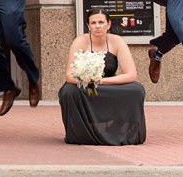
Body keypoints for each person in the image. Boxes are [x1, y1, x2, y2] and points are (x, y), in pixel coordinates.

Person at [58, 8, 146, 145]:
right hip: (85, 84)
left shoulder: (117, 41)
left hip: (108, 84)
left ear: (108, 24)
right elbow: (69, 75)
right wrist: (87, 81)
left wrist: (100, 81)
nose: (97, 26)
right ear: (88, 26)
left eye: (101, 22)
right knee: (68, 91)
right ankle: (80, 133)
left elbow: (131, 74)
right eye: (93, 23)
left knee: (136, 89)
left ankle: (123, 131)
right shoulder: (80, 41)